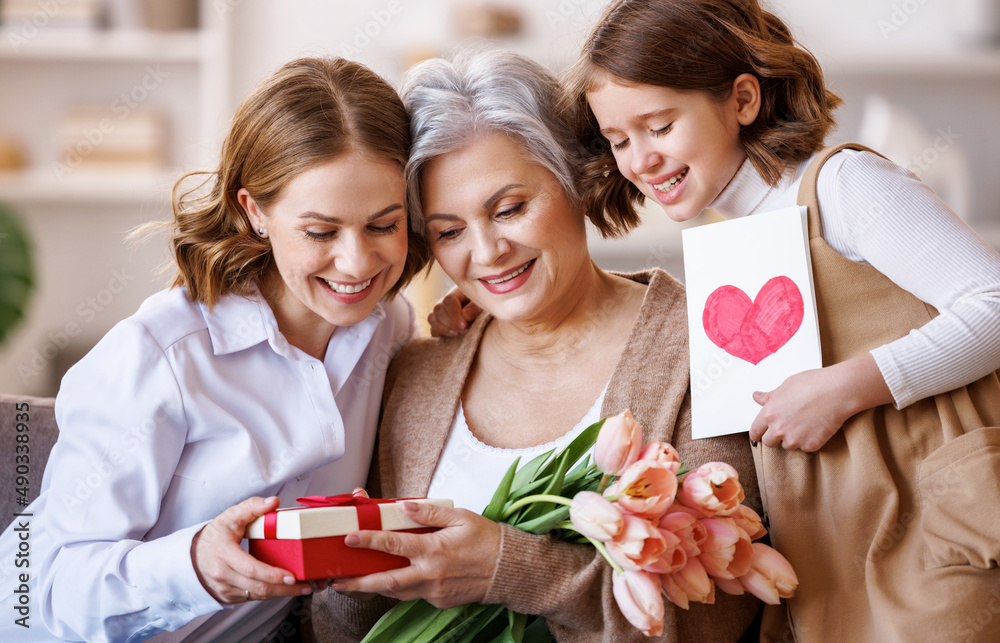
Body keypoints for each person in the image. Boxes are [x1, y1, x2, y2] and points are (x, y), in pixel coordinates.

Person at [550, 0, 1000, 641]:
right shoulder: (733, 245)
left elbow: (993, 303)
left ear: (742, 99)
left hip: (934, 525)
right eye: (619, 140)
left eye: (659, 126)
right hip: (830, 545)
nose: (640, 160)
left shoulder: (843, 185)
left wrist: (847, 388)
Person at [309, 49, 763, 643]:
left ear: (577, 178)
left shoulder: (709, 346)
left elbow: (714, 616)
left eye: (511, 208)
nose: (488, 251)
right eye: (449, 231)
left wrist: (508, 568)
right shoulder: (416, 373)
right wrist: (337, 572)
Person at [0, 56, 430, 642]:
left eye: (384, 225)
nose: (356, 263)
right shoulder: (161, 356)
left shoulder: (389, 325)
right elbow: (32, 591)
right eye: (321, 232)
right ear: (254, 211)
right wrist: (195, 563)